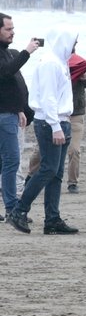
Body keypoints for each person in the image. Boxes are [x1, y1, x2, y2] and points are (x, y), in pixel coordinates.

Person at [8, 29, 78, 235]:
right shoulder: (50, 63)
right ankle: (19, 210)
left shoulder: (60, 62)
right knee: (48, 169)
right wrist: (56, 126)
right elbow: (48, 98)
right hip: (50, 122)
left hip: (61, 120)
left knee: (56, 173)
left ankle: (52, 219)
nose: (75, 46)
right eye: (74, 41)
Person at [28, 46, 86, 194]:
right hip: (53, 114)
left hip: (75, 114)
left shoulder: (79, 62)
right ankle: (31, 175)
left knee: (74, 150)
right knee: (40, 150)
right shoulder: (52, 63)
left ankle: (72, 182)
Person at [0, 14, 38, 220]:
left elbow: (13, 85)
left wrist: (21, 109)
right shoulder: (7, 56)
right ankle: (11, 208)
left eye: (13, 28)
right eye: (8, 29)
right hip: (3, 117)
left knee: (4, 163)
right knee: (11, 162)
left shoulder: (7, 52)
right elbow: (5, 73)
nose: (12, 32)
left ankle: (9, 207)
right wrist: (26, 53)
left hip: (10, 113)